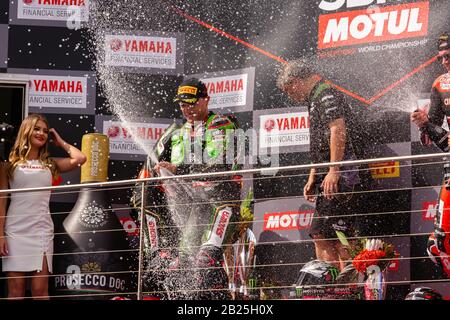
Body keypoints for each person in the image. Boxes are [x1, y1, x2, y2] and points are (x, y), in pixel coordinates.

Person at [133, 78, 246, 299]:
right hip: (181, 211)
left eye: (192, 103)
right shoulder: (174, 131)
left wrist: (178, 169)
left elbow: (218, 166)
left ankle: (212, 266)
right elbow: (146, 172)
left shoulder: (221, 123)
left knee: (202, 268)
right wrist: (148, 182)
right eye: (183, 104)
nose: (187, 109)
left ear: (206, 100)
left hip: (214, 205)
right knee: (144, 191)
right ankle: (158, 252)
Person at [277, 58, 361, 271]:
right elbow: (318, 140)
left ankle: (348, 288)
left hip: (342, 174)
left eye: (288, 91)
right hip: (328, 174)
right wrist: (313, 174)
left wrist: (334, 170)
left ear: (296, 82)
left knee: (341, 235)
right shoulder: (315, 96)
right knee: (322, 233)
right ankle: (331, 286)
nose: (290, 96)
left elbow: (337, 129)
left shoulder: (325, 93)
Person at [0, 114, 86, 299]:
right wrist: (0, 235)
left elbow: (80, 158)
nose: (42, 133)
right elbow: (2, 202)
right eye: (37, 129)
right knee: (16, 290)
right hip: (15, 231)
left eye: (45, 131)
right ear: (27, 131)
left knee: (40, 290)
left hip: (41, 231)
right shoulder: (9, 165)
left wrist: (59, 140)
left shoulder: (50, 164)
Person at [411, 33, 450, 278]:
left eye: (449, 56)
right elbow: (433, 138)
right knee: (439, 243)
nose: (445, 61)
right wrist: (422, 123)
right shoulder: (440, 84)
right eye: (441, 58)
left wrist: (430, 126)